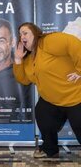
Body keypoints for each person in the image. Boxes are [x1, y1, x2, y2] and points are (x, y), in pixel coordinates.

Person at [13, 22, 81, 158]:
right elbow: (24, 80)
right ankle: (49, 149)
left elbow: (73, 43)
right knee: (43, 114)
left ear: (35, 33)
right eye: (20, 34)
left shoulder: (48, 41)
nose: (22, 37)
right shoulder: (29, 59)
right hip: (51, 100)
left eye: (25, 33)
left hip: (76, 97)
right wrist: (18, 59)